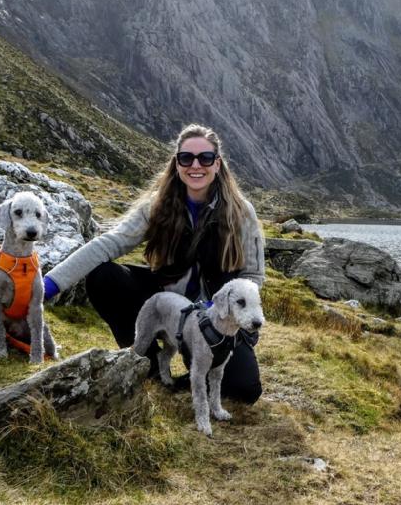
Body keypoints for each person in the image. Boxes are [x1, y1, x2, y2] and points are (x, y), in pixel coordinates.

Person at [42, 124, 265, 403]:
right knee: (103, 277)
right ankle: (145, 366)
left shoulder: (241, 211)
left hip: (217, 318)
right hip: (165, 306)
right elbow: (109, 243)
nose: (196, 166)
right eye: (186, 158)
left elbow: (253, 274)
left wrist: (220, 311)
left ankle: (191, 371)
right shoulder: (157, 205)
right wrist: (47, 285)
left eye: (205, 158)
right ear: (177, 163)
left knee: (245, 389)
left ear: (217, 164)